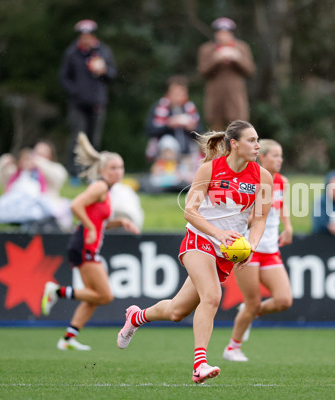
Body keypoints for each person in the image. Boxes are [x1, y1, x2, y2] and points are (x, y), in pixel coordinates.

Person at [116, 120, 273, 384]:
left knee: (177, 311)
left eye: (257, 140)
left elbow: (259, 220)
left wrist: (252, 246)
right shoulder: (209, 170)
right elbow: (190, 211)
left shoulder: (262, 177)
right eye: (252, 140)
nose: (257, 145)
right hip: (199, 239)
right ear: (234, 144)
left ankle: (137, 316)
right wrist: (218, 234)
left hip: (226, 252)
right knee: (212, 296)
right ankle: (199, 364)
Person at [41, 133, 139, 350]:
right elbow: (75, 205)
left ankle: (68, 339)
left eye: (121, 167)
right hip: (83, 245)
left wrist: (120, 221)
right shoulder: (100, 187)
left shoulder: (107, 190)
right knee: (104, 295)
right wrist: (91, 227)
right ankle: (57, 291)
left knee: (93, 297)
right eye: (113, 168)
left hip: (87, 245)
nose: (118, 172)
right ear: (103, 170)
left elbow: (99, 221)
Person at [223, 139, 293, 362]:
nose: (279, 160)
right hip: (248, 247)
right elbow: (244, 216)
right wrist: (261, 209)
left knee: (284, 300)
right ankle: (233, 347)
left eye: (281, 156)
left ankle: (249, 311)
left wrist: (288, 226)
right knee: (252, 302)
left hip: (271, 248)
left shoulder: (282, 181)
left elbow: (282, 208)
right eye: (274, 155)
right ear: (261, 157)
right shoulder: (251, 180)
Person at [59, 19, 117, 178]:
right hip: (77, 103)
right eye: (83, 35)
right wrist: (76, 91)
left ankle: (93, 174)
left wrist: (103, 71)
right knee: (78, 138)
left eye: (89, 35)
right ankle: (74, 173)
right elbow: (64, 78)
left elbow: (112, 75)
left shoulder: (103, 51)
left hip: (97, 102)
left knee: (94, 140)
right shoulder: (72, 53)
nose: (86, 39)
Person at [197, 18, 256, 131]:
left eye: (227, 33)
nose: (223, 36)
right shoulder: (206, 49)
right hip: (215, 99)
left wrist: (237, 58)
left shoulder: (242, 47)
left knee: (238, 131)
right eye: (220, 32)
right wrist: (215, 59)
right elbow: (202, 72)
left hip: (235, 100)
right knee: (216, 134)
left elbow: (250, 71)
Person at [144, 75, 201, 162]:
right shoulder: (160, 107)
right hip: (164, 153)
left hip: (187, 151)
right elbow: (150, 131)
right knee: (168, 142)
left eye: (182, 93)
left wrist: (192, 128)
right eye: (175, 93)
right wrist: (168, 124)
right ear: (168, 93)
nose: (179, 97)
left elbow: (200, 134)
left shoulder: (189, 108)